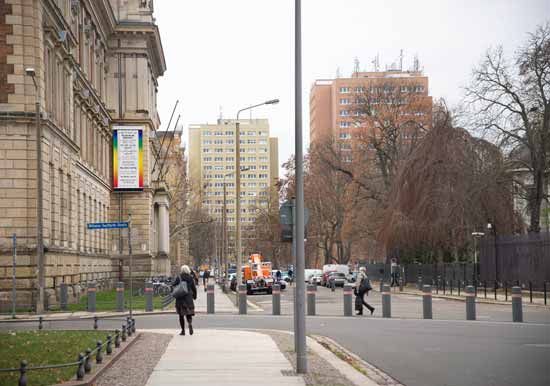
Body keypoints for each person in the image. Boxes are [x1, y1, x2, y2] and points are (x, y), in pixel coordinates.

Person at [173, 265, 197, 335]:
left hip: (180, 298)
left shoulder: (179, 277)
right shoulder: (190, 277)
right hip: (188, 298)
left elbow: (173, 284)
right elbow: (194, 288)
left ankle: (183, 331)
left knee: (181, 315)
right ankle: (190, 323)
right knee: (188, 313)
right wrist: (195, 296)